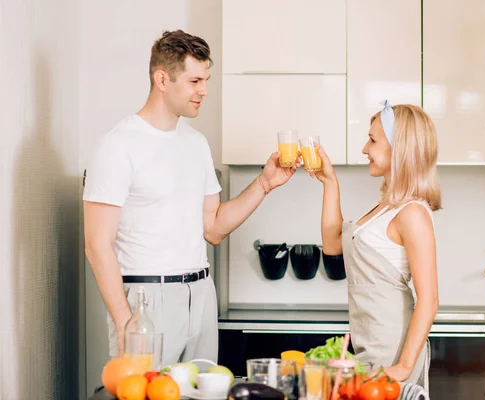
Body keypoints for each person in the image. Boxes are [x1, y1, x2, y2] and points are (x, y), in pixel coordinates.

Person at [82, 30, 300, 365]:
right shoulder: (117, 145)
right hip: (147, 299)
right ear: (162, 79)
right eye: (195, 81)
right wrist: (127, 322)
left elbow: (212, 228)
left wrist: (264, 184)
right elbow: (97, 245)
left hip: (200, 293)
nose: (204, 91)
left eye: (206, 80)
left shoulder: (196, 143)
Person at [312, 101, 441, 388]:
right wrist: (330, 182)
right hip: (370, 343)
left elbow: (429, 300)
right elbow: (332, 245)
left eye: (372, 140)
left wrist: (404, 367)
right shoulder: (386, 207)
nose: (364, 149)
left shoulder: (413, 213)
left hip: (392, 349)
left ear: (400, 148)